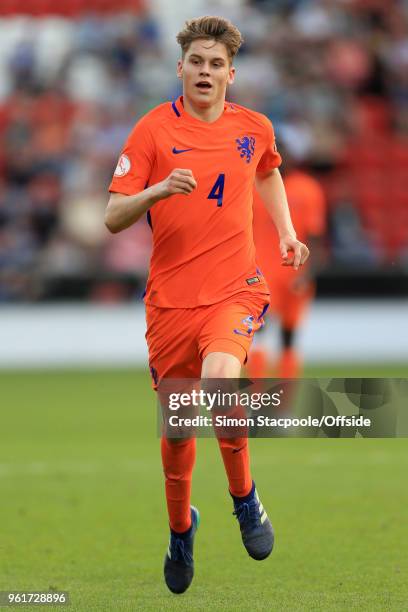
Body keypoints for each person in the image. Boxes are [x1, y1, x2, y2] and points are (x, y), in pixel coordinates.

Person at [105, 16, 309, 594]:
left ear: (231, 74)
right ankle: (180, 529)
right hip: (170, 304)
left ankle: (244, 498)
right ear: (181, 68)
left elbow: (267, 171)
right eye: (197, 61)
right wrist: (157, 189)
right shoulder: (150, 132)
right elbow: (112, 216)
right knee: (176, 431)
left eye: (216, 63)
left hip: (234, 289)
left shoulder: (254, 127)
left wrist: (287, 232)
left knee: (223, 381)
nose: (205, 71)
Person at [249, 153, 326, 379]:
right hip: (281, 274)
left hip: (273, 274)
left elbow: (315, 237)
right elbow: (316, 237)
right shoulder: (307, 188)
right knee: (280, 339)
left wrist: (308, 274)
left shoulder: (256, 186)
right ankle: (275, 405)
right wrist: (307, 274)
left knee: (271, 339)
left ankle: (266, 404)